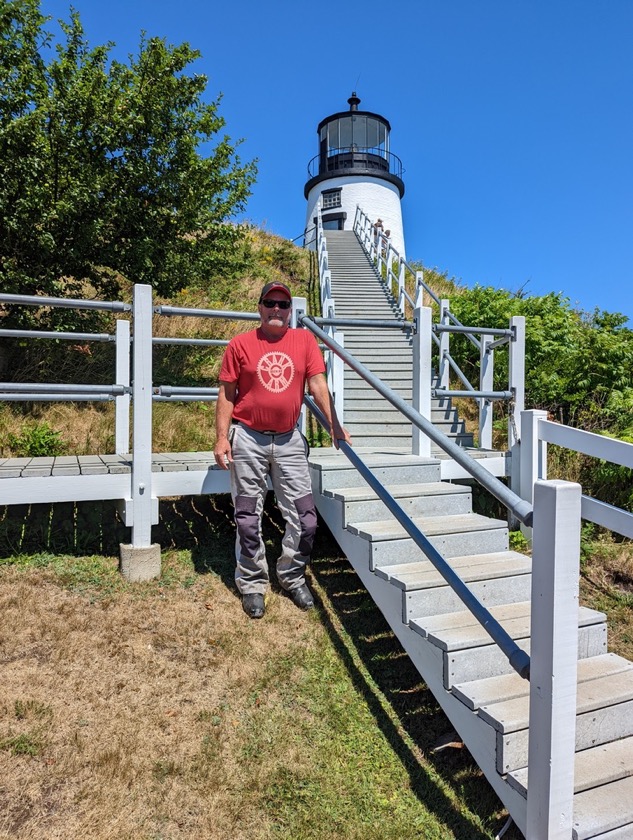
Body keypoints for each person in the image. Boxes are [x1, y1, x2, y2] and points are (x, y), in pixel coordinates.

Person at [214, 281, 351, 619]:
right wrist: (221, 438)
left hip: (290, 440)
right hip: (248, 438)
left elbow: (317, 384)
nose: (276, 309)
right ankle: (252, 583)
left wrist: (333, 423)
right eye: (270, 303)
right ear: (259, 308)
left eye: (283, 304)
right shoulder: (240, 345)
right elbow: (226, 394)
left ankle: (291, 574)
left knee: (306, 518)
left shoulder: (304, 341)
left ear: (290, 311)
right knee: (247, 516)